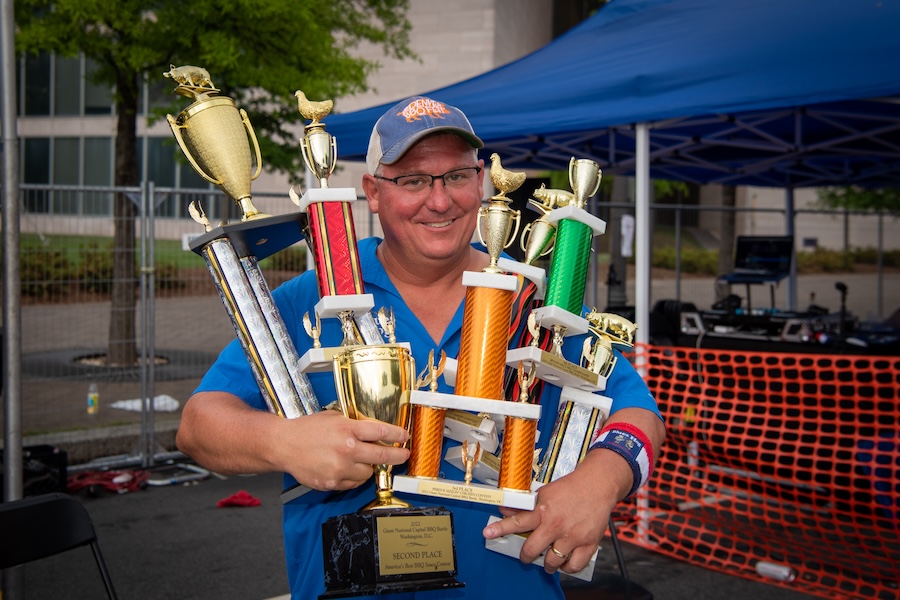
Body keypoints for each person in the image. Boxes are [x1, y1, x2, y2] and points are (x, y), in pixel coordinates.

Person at [176, 96, 665, 599]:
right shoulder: (313, 294)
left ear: (480, 182)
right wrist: (284, 441)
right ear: (372, 191)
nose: (440, 200)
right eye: (413, 180)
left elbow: (641, 415)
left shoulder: (533, 300)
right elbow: (198, 426)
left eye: (456, 176)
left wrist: (601, 481)